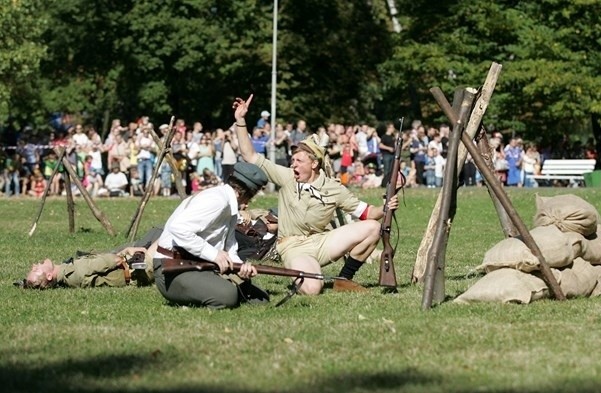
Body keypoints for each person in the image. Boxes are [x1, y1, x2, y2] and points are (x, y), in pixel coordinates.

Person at [232, 94, 399, 295]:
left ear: (314, 164)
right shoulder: (287, 177)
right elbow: (250, 155)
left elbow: (366, 213)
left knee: (373, 227)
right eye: (292, 160)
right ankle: (306, 275)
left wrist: (385, 207)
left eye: (298, 161)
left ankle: (344, 279)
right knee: (312, 289)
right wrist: (240, 120)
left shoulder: (333, 188)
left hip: (322, 242)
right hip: (293, 246)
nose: (293, 164)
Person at [153, 161, 270, 310]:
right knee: (228, 295)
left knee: (260, 298)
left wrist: (240, 268)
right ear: (242, 193)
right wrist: (214, 254)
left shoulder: (229, 205)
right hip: (171, 269)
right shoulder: (217, 201)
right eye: (250, 197)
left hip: (197, 264)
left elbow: (229, 247)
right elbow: (179, 228)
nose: (248, 204)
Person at [21, 246, 150, 289]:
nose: (34, 265)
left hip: (133, 266)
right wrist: (128, 249)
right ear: (49, 276)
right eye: (36, 270)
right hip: (138, 268)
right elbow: (115, 260)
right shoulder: (76, 270)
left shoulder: (66, 275)